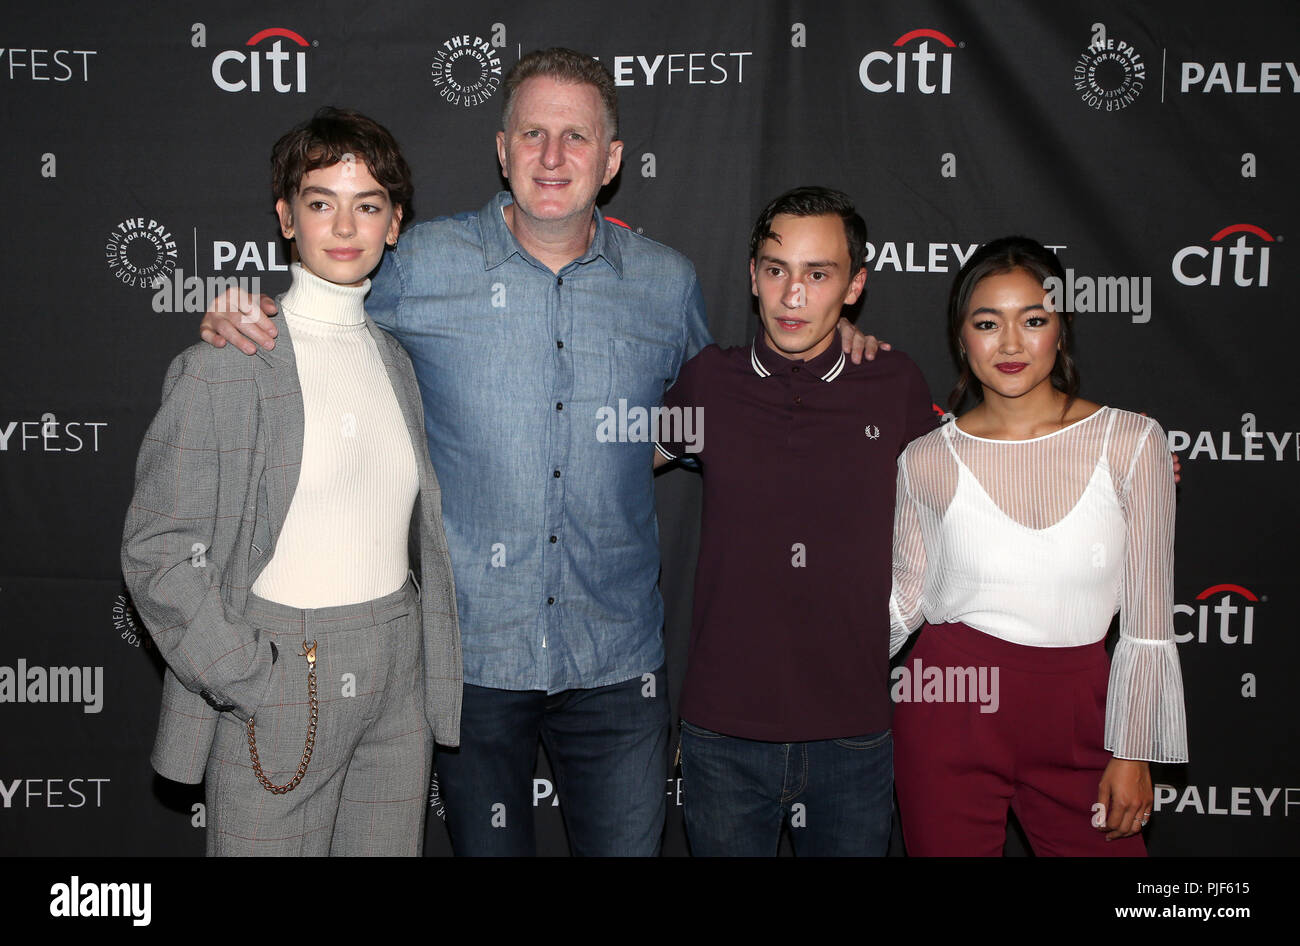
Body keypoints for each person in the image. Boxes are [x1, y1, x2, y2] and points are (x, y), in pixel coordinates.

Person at [197, 49, 882, 856]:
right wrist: (238, 316)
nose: (553, 158)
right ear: (501, 149)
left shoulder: (665, 283)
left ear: (613, 159)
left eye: (576, 137)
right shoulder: (419, 265)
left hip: (617, 663)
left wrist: (840, 352)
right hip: (471, 659)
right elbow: (320, 318)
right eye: (533, 134)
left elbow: (724, 408)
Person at [122, 107, 461, 856]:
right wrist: (248, 677)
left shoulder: (394, 361)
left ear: (395, 223)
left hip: (399, 672)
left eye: (368, 204)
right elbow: (157, 551)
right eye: (320, 202)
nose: (345, 225)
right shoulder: (229, 360)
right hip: (283, 671)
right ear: (286, 216)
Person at [653, 187, 935, 855]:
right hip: (721, 733)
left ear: (856, 285)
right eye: (777, 269)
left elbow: (969, 482)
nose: (793, 295)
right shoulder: (709, 383)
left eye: (819, 273)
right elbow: (614, 461)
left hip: (853, 732)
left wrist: (1118, 462)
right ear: (752, 275)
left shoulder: (894, 383)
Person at [888, 236, 1188, 856]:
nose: (1011, 344)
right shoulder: (925, 458)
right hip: (950, 708)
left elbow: (1151, 618)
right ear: (961, 336)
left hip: (1083, 715)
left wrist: (1134, 750)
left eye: (1033, 320)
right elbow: (902, 601)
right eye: (987, 322)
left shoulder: (1133, 443)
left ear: (1062, 328)